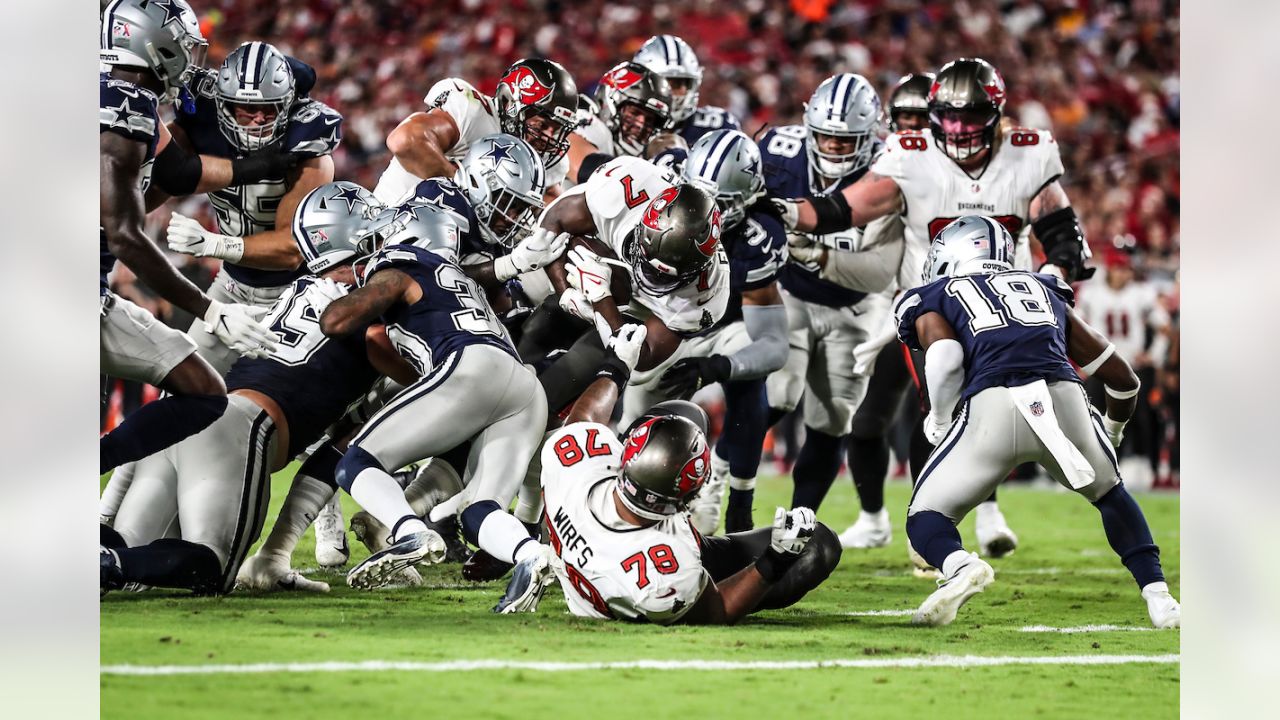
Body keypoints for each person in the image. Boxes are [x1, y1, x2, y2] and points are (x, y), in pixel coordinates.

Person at [776, 58, 1098, 557]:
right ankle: (928, 531)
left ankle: (978, 513)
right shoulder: (911, 154)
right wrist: (786, 211)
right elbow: (844, 207)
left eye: (970, 118)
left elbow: (1062, 233)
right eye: (948, 117)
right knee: (932, 415)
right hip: (932, 307)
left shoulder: (1028, 155)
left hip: (1002, 311)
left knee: (987, 414)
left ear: (995, 113)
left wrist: (1056, 272)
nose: (959, 130)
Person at [101, 181, 388, 595]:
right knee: (211, 565)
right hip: (241, 427)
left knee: (125, 545)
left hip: (191, 415)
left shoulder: (296, 290)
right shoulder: (375, 320)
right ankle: (102, 565)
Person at [895, 216, 1179, 629]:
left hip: (991, 405)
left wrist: (939, 420)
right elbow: (1123, 379)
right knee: (1110, 495)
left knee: (926, 517)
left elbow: (944, 357)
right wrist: (1111, 435)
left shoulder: (934, 293)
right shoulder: (1045, 288)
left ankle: (959, 567)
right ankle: (1161, 599)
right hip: (1061, 398)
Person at [494, 321, 840, 623]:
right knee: (817, 547)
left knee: (685, 417)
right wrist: (774, 561)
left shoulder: (571, 465)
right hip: (642, 570)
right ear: (678, 504)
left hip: (606, 546)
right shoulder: (666, 570)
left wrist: (615, 367)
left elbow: (584, 420)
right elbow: (716, 612)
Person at [320, 204, 552, 590]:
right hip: (524, 389)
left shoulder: (400, 266)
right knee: (480, 511)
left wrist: (338, 297)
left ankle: (410, 530)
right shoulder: (463, 278)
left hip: (470, 367)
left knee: (357, 461)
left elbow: (336, 322)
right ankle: (529, 556)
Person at [98, 0, 278, 474]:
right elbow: (125, 237)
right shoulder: (123, 105)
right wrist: (211, 309)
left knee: (203, 389)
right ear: (150, 41)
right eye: (180, 41)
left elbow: (178, 172)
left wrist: (260, 164)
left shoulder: (118, 97)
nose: (188, 53)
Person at [620, 129, 789, 535]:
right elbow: (656, 146)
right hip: (661, 326)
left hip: (721, 328)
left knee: (750, 366)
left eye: (723, 201)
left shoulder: (754, 237)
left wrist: (714, 367)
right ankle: (623, 505)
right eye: (700, 192)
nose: (708, 208)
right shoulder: (659, 189)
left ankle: (740, 502)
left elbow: (773, 345)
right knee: (633, 423)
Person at [757, 73, 897, 515]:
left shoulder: (892, 171)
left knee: (833, 418)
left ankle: (798, 524)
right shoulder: (779, 152)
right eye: (827, 138)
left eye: (846, 141)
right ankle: (722, 484)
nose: (834, 149)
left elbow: (877, 274)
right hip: (789, 294)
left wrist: (813, 253)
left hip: (855, 308)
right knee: (778, 391)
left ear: (870, 135)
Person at [533, 159, 729, 419]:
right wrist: (565, 293)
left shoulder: (709, 292)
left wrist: (602, 302)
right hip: (600, 265)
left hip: (642, 314)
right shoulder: (623, 191)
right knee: (540, 318)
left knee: (569, 378)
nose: (653, 277)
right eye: (650, 265)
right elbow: (552, 224)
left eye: (664, 274)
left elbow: (641, 358)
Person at [373, 58, 579, 206]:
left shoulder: (549, 159)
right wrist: (467, 189)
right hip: (387, 222)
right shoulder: (473, 111)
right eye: (543, 125)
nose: (549, 138)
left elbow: (550, 212)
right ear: (510, 104)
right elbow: (405, 140)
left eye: (558, 129)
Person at [567, 62, 675, 184]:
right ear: (608, 103)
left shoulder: (643, 158)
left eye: (650, 120)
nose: (641, 124)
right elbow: (584, 169)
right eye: (634, 113)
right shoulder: (587, 123)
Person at [632, 35, 741, 146]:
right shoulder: (625, 128)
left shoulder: (714, 127)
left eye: (683, 83)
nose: (682, 91)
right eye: (668, 84)